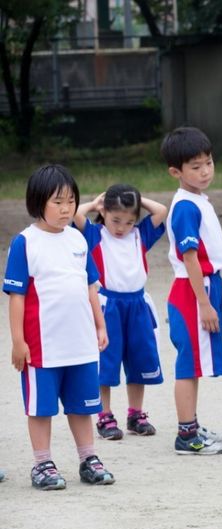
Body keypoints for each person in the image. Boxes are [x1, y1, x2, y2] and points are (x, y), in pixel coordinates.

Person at [3, 164, 114, 489]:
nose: (66, 209)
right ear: (38, 202)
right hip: (42, 346)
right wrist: (18, 341)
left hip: (80, 343)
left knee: (82, 405)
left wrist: (100, 326)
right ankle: (42, 464)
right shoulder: (25, 243)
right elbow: (16, 297)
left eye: (71, 201)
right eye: (58, 202)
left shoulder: (78, 239)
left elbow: (91, 286)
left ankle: (88, 459)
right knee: (41, 409)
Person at [74, 184, 167, 440]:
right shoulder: (95, 234)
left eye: (129, 221)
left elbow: (161, 210)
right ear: (104, 213)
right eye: (116, 220)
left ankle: (135, 414)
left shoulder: (140, 235)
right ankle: (104, 415)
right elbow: (76, 214)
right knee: (106, 361)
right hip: (108, 306)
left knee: (139, 359)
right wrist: (95, 204)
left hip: (137, 305)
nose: (121, 227)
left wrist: (135, 199)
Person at [161, 126, 222, 455]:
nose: (205, 171)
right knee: (188, 364)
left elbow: (209, 257)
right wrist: (204, 303)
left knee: (196, 363)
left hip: (206, 285)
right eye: (195, 166)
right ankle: (186, 435)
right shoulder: (185, 206)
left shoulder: (199, 200)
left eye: (209, 163)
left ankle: (192, 424)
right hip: (192, 292)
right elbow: (190, 258)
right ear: (176, 172)